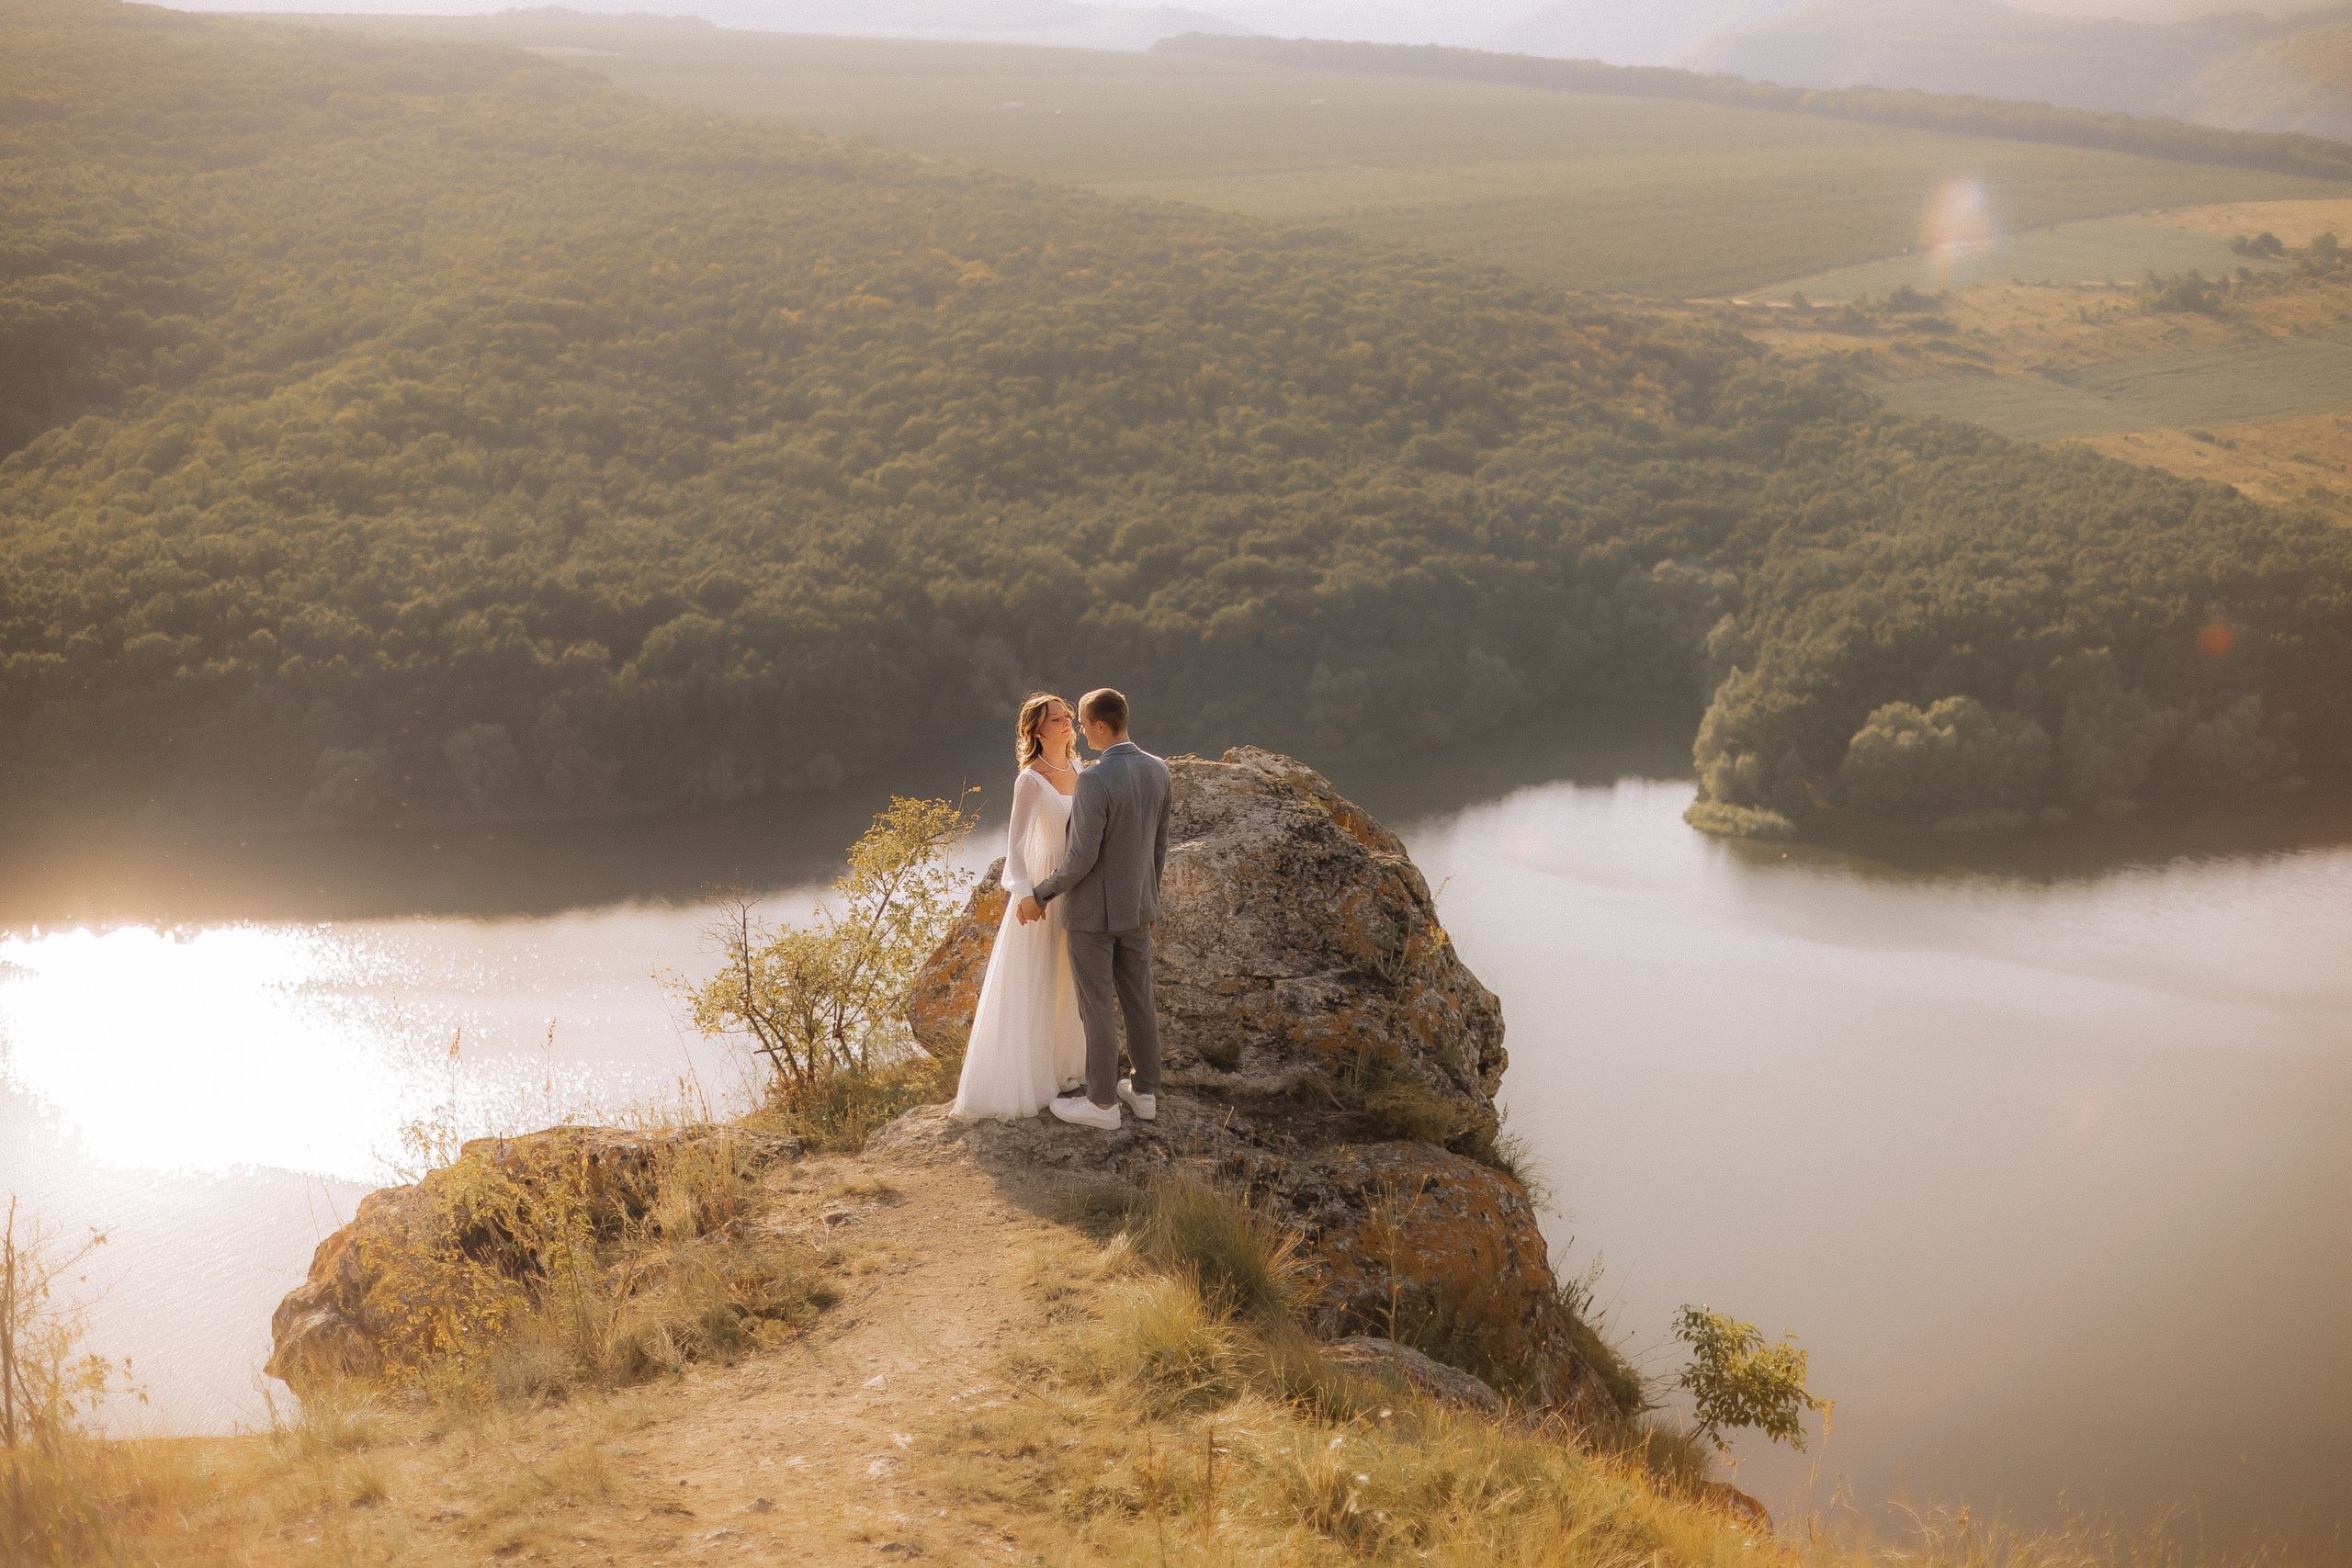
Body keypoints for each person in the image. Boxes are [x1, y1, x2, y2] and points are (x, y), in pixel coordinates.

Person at [1020, 687, 1170, 1131]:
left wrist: (1041, 893)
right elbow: (1157, 846)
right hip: (1139, 908)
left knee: (1097, 1006)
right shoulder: (1159, 770)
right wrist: (1152, 898)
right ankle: (1144, 1094)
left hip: (1092, 915)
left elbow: (1081, 858)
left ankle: (1102, 1104)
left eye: (1082, 723)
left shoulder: (1094, 778)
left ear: (1101, 726)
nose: (1079, 731)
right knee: (1140, 999)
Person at [948, 693, 1089, 1122]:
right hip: (1042, 888)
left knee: (1068, 977)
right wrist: (1026, 894)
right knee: (1037, 976)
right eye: (1057, 718)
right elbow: (1014, 844)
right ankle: (1027, 1079)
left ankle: (1063, 1068)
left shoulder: (1082, 769)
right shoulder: (1031, 778)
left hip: (1075, 886)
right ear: (1037, 730)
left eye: (1068, 716)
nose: (1067, 722)